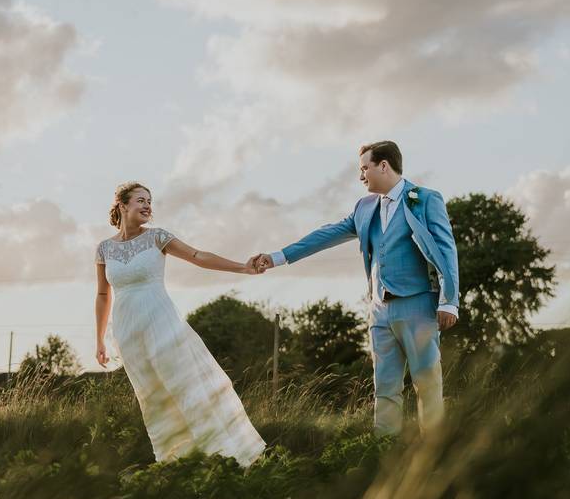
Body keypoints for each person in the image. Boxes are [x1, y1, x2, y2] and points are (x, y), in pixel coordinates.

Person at [252, 141, 460, 436]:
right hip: (380, 312)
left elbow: (446, 248)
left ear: (383, 166)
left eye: (365, 168)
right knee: (385, 389)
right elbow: (327, 234)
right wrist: (277, 257)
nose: (361, 176)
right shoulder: (364, 207)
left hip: (419, 307)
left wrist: (449, 301)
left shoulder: (424, 199)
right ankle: (383, 454)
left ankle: (434, 456)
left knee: (427, 385)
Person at [95, 181, 266, 466]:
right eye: (140, 200)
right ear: (122, 205)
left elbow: (198, 256)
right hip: (127, 332)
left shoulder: (158, 237)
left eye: (150, 200)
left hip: (161, 324)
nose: (148, 205)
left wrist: (242, 267)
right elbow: (102, 294)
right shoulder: (103, 249)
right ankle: (176, 463)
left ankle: (225, 456)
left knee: (186, 388)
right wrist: (99, 339)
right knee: (154, 399)